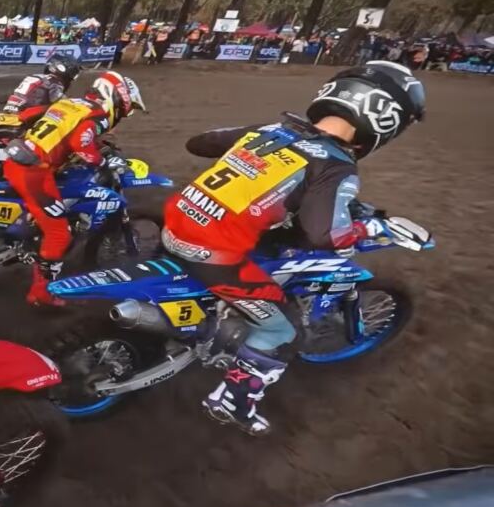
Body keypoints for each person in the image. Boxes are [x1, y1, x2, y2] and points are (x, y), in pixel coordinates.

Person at [160, 61, 426, 435]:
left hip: (176, 223)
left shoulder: (272, 130)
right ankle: (231, 400)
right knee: (283, 330)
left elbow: (200, 143)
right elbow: (325, 235)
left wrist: (252, 159)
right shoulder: (335, 165)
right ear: (386, 118)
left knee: (259, 249)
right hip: (212, 251)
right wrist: (374, 227)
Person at [3, 71, 146, 306]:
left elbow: (32, 115)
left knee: (53, 204)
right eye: (126, 108)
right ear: (116, 98)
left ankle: (30, 230)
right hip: (34, 172)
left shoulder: (72, 103)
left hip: (21, 158)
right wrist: (102, 161)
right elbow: (79, 142)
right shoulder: (98, 115)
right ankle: (41, 294)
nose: (125, 114)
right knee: (59, 234)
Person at [2, 53, 82, 125]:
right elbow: (59, 100)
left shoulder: (34, 76)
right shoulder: (54, 81)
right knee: (59, 111)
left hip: (10, 109)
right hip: (26, 113)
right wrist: (75, 104)